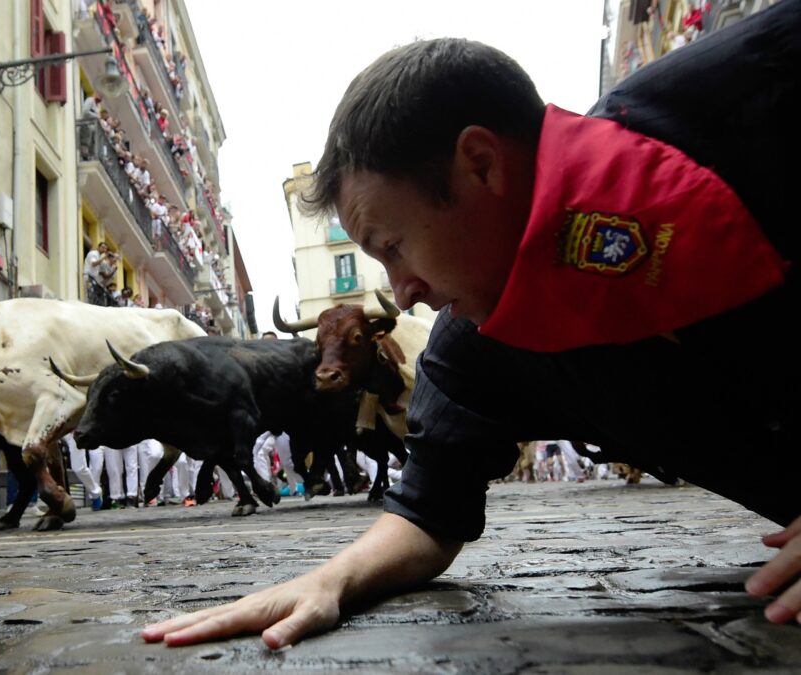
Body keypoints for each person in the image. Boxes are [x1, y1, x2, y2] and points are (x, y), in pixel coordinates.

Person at [142, 6, 801, 649]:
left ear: (480, 163)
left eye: (392, 246)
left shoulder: (761, 87)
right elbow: (428, 511)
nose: (402, 294)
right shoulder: (473, 347)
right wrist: (330, 580)